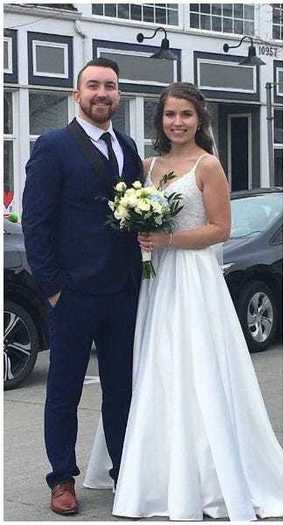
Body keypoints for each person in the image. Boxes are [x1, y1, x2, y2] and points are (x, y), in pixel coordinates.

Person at [83, 82, 283, 520]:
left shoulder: (208, 165)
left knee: (197, 367)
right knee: (156, 366)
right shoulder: (147, 164)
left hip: (193, 278)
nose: (178, 122)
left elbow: (221, 228)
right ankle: (153, 475)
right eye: (171, 114)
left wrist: (168, 238)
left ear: (199, 120)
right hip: (154, 282)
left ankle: (207, 478)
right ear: (161, 120)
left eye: (186, 115)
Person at [22, 57, 143, 515]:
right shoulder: (53, 145)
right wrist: (52, 288)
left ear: (118, 95)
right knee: (65, 390)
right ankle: (62, 479)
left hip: (122, 291)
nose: (102, 94)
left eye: (110, 86)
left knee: (121, 389)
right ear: (77, 94)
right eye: (93, 86)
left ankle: (124, 471)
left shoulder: (127, 146)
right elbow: (36, 221)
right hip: (72, 294)